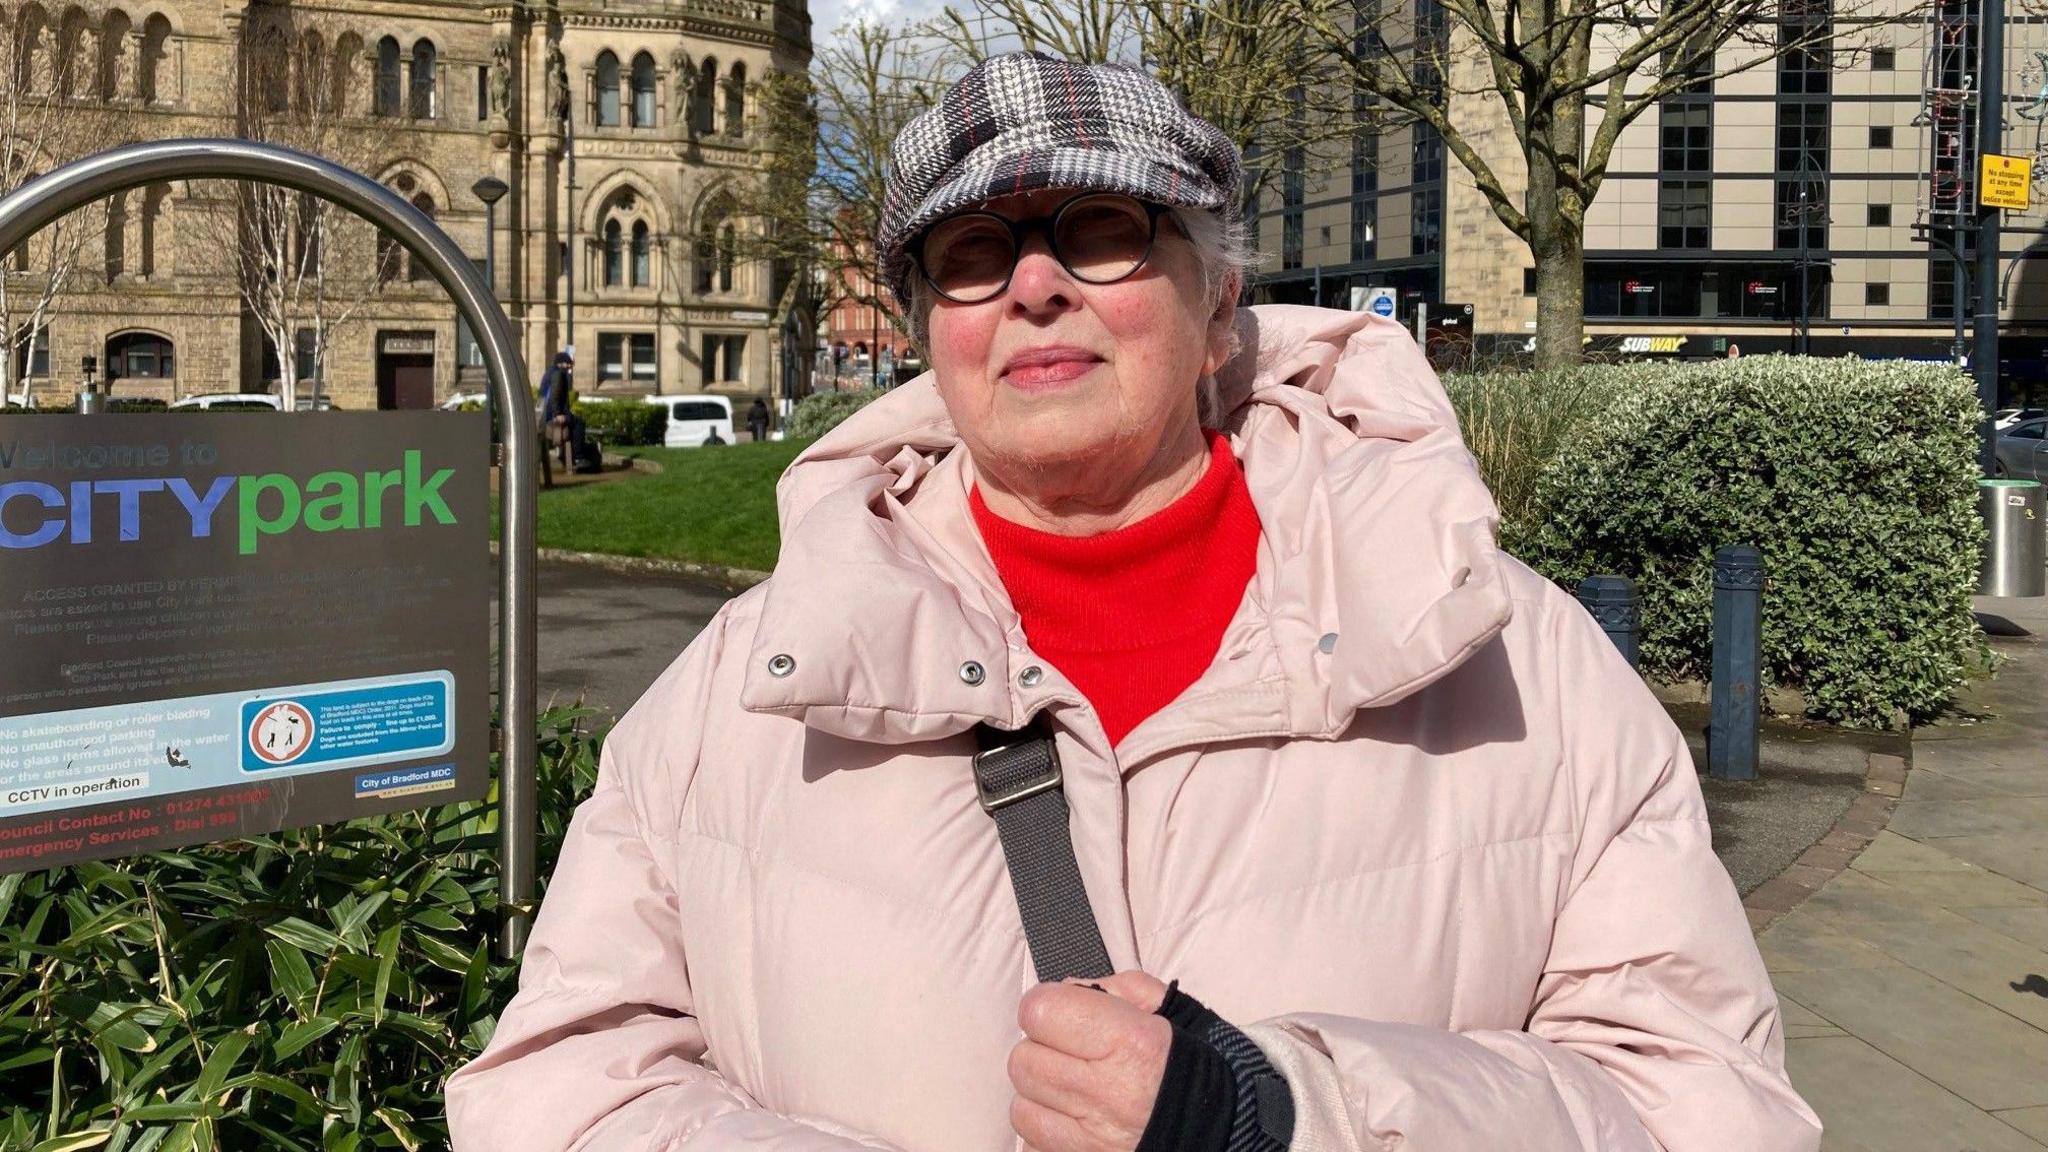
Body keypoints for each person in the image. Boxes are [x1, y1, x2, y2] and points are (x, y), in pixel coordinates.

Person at [447, 51, 1821, 1152]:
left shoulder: (1513, 659)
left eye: (1099, 230)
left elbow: (1707, 1103)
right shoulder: (748, 681)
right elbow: (558, 1087)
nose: (1034, 283)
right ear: (934, 335)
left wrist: (1284, 1114)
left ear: (1220, 304)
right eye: (972, 257)